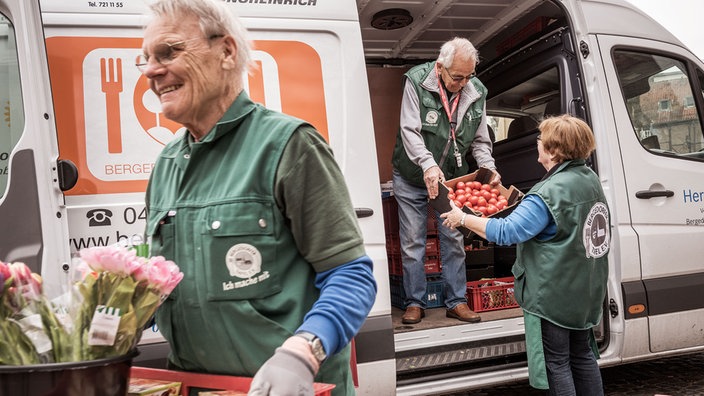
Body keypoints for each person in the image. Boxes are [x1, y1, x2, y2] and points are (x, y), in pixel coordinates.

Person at [138, 0, 377, 395]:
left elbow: (351, 277)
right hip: (196, 387)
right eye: (145, 59)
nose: (150, 70)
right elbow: (166, 286)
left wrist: (303, 352)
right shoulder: (166, 163)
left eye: (169, 52)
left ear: (226, 52)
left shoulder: (289, 145)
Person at [441, 115, 610, 395]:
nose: (537, 144)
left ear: (554, 150)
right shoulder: (588, 179)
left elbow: (508, 232)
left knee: (556, 362)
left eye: (541, 140)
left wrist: (463, 219)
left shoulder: (547, 193)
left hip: (553, 295)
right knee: (582, 356)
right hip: (585, 290)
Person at [391, 37, 501, 324]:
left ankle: (457, 301)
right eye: (458, 77)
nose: (464, 83)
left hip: (451, 180)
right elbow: (410, 131)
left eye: (469, 75)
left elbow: (479, 140)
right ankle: (414, 302)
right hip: (413, 176)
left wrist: (488, 166)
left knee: (453, 238)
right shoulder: (416, 82)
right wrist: (427, 164)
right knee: (412, 241)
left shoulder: (477, 92)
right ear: (440, 67)